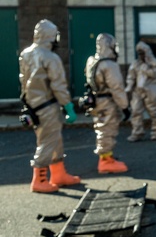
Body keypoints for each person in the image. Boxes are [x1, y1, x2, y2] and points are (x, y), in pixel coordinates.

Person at [19, 19, 81, 193]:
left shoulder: (25, 54)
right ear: (51, 37)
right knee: (48, 142)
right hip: (47, 104)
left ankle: (58, 174)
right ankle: (39, 180)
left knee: (54, 139)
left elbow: (23, 80)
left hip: (33, 105)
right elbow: (58, 85)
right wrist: (68, 106)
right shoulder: (51, 58)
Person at [86, 34, 130, 173]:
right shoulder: (109, 65)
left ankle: (107, 157)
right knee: (107, 129)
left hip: (95, 100)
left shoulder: (92, 61)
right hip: (106, 101)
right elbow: (116, 87)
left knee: (101, 127)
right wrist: (125, 106)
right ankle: (105, 161)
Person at [125, 41, 156, 142]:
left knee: (154, 112)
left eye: (142, 53)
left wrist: (146, 69)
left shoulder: (154, 63)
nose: (141, 55)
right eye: (139, 53)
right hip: (138, 91)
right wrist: (129, 86)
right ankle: (137, 133)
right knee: (136, 111)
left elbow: (155, 74)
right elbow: (131, 76)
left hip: (151, 91)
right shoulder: (135, 64)